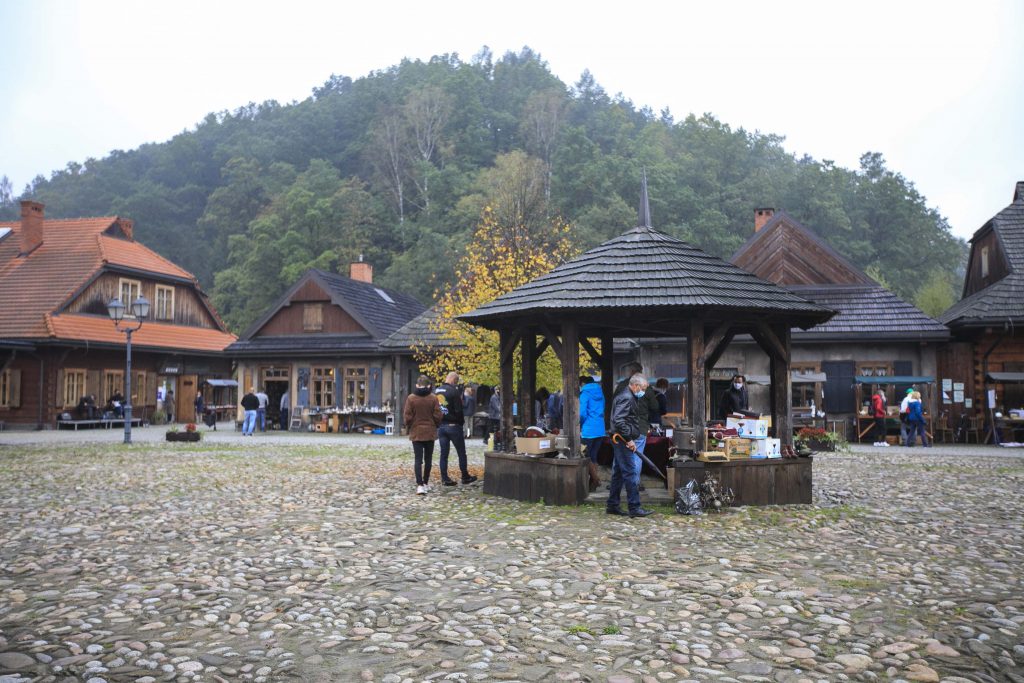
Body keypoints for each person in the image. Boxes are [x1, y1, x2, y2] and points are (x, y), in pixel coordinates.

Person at [606, 373, 653, 518]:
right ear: (636, 385)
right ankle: (634, 507)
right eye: (643, 388)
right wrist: (629, 439)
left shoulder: (625, 395)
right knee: (630, 472)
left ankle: (612, 505)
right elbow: (620, 421)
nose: (643, 391)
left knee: (619, 473)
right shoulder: (627, 397)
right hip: (622, 439)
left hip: (621, 438)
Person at [435, 372, 478, 485]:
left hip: (441, 426)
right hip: (453, 426)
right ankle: (465, 476)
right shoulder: (454, 391)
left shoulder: (437, 390)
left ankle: (444, 478)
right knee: (461, 453)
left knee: (444, 454)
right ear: (454, 380)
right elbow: (459, 410)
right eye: (456, 381)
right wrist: (460, 423)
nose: (456, 384)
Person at [404, 375, 443, 495]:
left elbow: (407, 416)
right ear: (429, 385)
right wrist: (435, 424)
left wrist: (408, 426)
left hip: (416, 432)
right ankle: (425, 483)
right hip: (430, 432)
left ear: (417, 385)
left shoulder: (411, 398)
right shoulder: (433, 398)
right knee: (428, 459)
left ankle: (419, 485)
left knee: (418, 459)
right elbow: (438, 415)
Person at [579, 376, 605, 491]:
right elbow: (603, 408)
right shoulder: (600, 392)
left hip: (588, 430)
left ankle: (595, 479)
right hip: (600, 429)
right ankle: (592, 485)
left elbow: (582, 413)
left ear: (583, 383)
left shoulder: (584, 393)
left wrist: (580, 423)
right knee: (593, 456)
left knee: (586, 456)